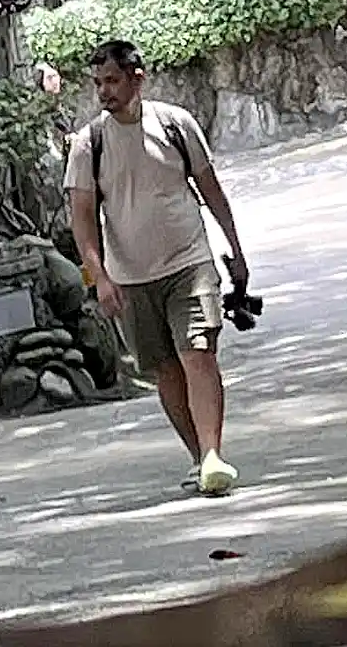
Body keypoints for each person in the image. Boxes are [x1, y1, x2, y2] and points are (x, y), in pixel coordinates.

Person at [64, 40, 250, 496]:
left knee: (198, 353)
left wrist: (236, 249)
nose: (103, 92)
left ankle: (212, 454)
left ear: (137, 77)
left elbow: (210, 189)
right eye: (97, 83)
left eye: (111, 80)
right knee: (166, 369)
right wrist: (100, 278)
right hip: (130, 277)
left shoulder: (175, 125)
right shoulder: (90, 145)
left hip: (190, 261)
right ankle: (197, 455)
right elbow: (82, 224)